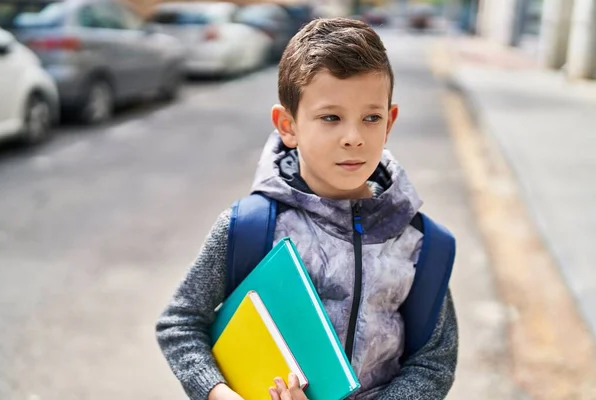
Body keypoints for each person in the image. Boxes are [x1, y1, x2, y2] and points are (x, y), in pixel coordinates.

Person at [156, 17, 458, 400]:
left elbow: (434, 360)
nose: (353, 138)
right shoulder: (250, 228)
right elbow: (180, 324)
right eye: (331, 117)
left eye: (371, 118)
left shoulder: (419, 243)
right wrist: (219, 393)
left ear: (390, 122)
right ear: (288, 125)